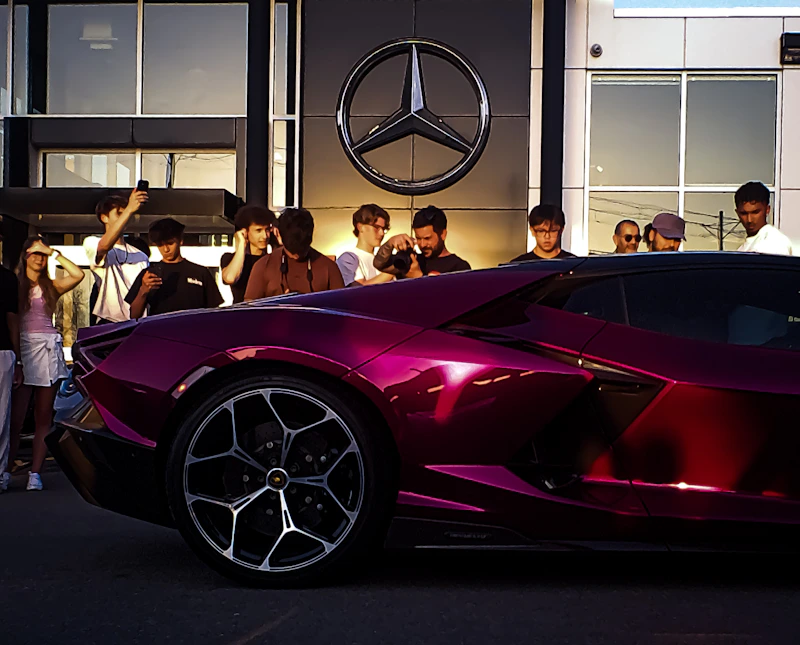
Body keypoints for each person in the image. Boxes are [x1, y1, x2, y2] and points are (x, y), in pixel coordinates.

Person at [8, 237, 85, 491]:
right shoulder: (14, 284)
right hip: (22, 347)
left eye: (43, 254)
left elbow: (77, 274)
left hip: (47, 345)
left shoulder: (50, 285)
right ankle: (7, 468)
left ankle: (35, 472)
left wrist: (53, 252)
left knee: (43, 414)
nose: (40, 258)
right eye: (35, 253)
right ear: (25, 256)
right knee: (15, 418)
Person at [126, 218, 223, 319]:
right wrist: (143, 290)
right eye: (160, 245)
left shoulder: (200, 272)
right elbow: (134, 316)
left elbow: (214, 312)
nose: (166, 249)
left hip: (194, 331)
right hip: (159, 331)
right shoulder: (149, 274)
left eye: (170, 243)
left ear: (180, 240)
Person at [245, 208, 345, 299]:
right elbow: (250, 310)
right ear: (278, 234)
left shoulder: (329, 268)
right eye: (292, 250)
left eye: (303, 249)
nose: (297, 255)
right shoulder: (263, 266)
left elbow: (342, 310)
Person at [83, 189, 150, 324]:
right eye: (119, 213)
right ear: (104, 217)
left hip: (137, 322)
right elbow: (104, 246)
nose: (124, 218)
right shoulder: (91, 242)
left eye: (125, 214)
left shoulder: (141, 256)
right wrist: (129, 209)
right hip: (108, 321)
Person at [373, 205, 470, 278]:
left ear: (443, 234)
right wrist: (390, 243)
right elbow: (379, 264)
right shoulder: (411, 262)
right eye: (418, 238)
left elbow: (454, 302)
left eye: (427, 238)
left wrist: (418, 278)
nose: (422, 245)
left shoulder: (459, 267)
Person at [0, 241, 23, 493]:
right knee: (1, 414)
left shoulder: (7, 278)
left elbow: (12, 319)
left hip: (3, 351)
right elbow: (12, 320)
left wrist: (17, 358)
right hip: (4, 351)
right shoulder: (7, 277)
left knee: (2, 415)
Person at [221, 205, 277, 303]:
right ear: (245, 231)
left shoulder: (273, 260)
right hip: (241, 315)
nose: (265, 236)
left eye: (267, 230)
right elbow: (230, 278)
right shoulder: (229, 258)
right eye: (258, 230)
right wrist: (241, 245)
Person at [336, 204, 395, 286]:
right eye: (376, 227)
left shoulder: (383, 261)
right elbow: (358, 290)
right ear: (360, 227)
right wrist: (391, 272)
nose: (381, 233)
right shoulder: (349, 258)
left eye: (384, 229)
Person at [735, 181, 792, 255]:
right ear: (737, 213)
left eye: (755, 212)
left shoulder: (774, 243)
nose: (749, 219)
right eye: (744, 213)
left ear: (767, 209)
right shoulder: (744, 247)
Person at [511, 204, 576, 262]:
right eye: (541, 231)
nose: (547, 236)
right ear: (532, 231)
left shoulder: (574, 264)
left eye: (553, 231)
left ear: (561, 230)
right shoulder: (519, 265)